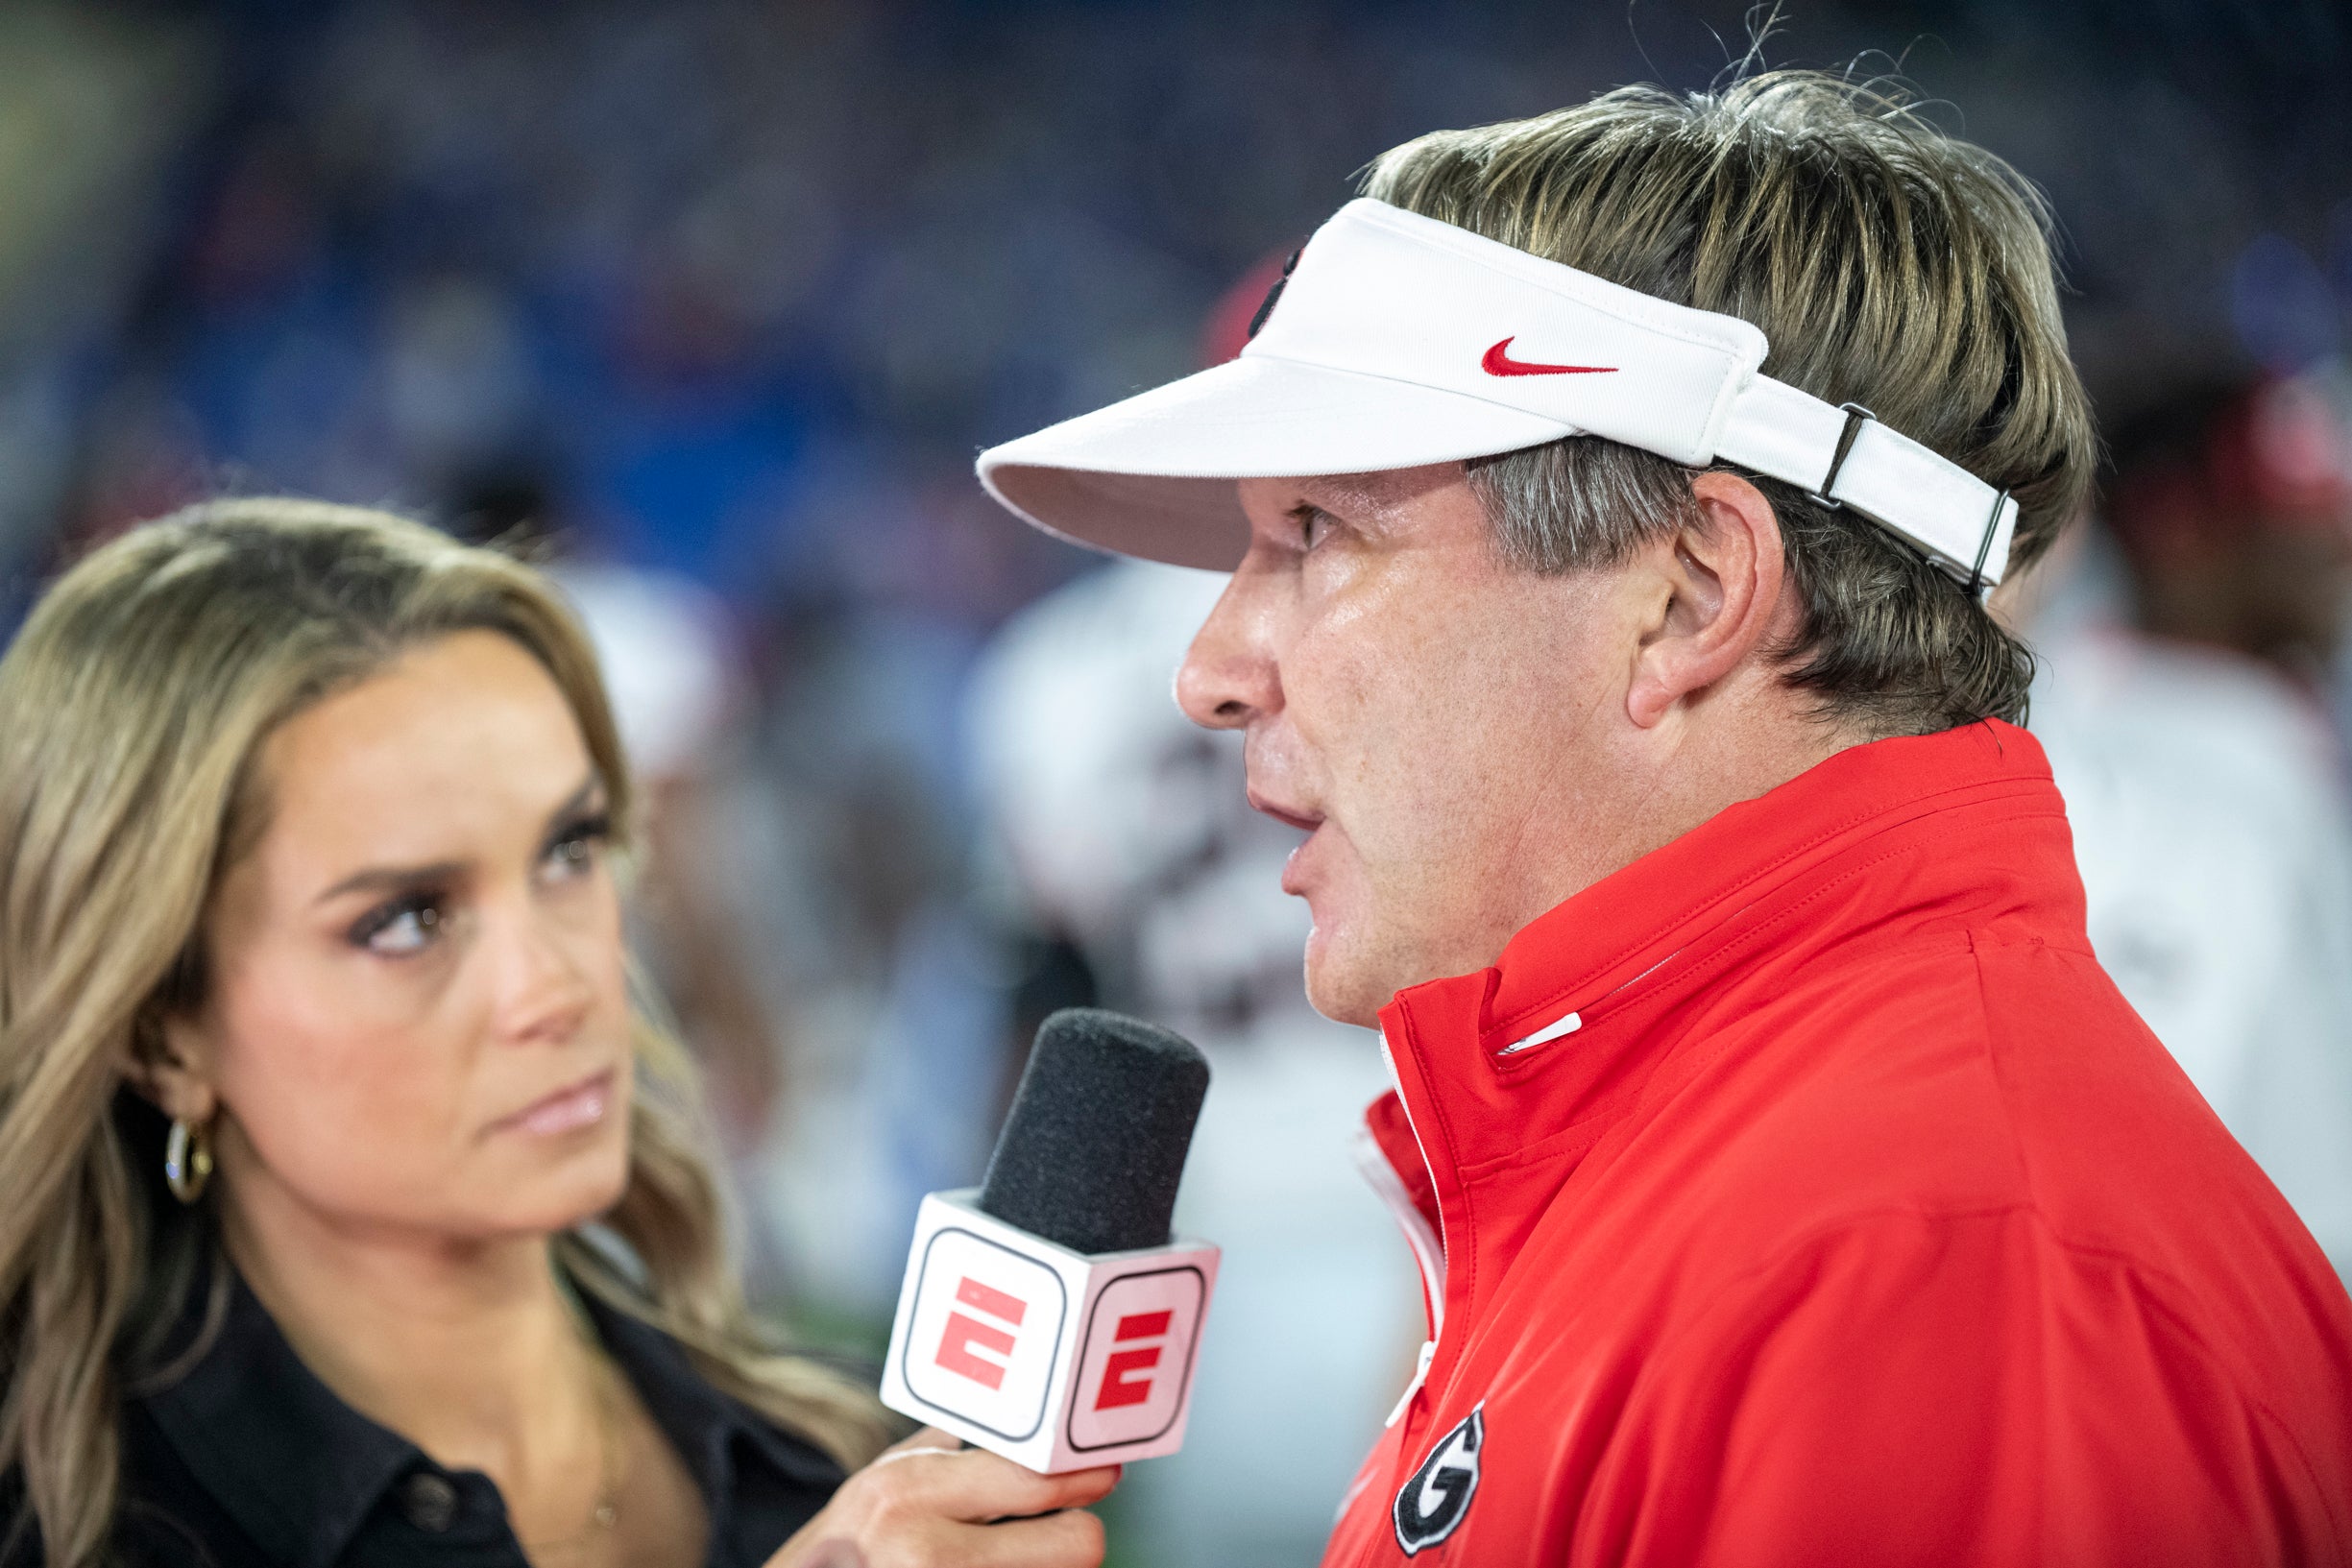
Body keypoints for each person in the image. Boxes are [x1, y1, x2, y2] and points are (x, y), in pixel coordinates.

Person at [971, 73, 2352, 1565]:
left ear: (1689, 592)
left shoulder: (1923, 1269)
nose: (1208, 670)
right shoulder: (1756, 1156)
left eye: (1321, 535)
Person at [0, 498, 1116, 1567]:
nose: (559, 983)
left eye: (569, 851)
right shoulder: (73, 1529)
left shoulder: (842, 1461)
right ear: (162, 1036)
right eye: (404, 919)